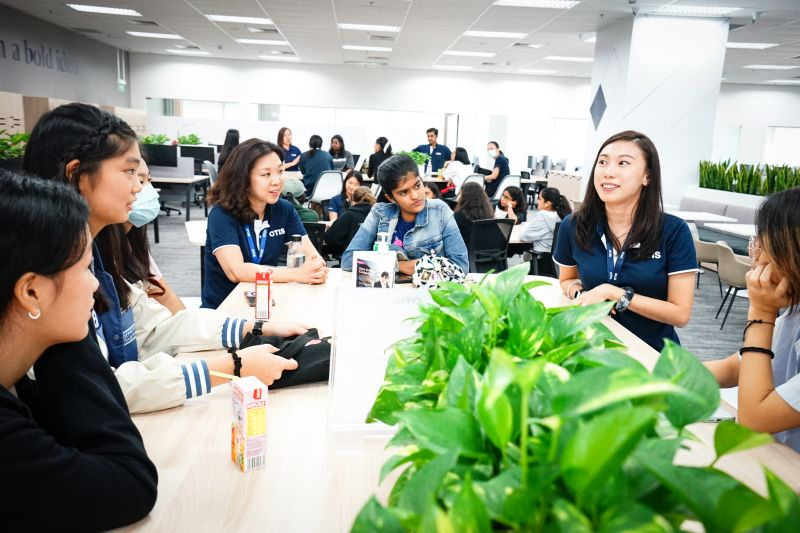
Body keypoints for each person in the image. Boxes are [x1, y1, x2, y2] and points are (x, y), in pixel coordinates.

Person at [23, 104, 303, 414]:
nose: (139, 187)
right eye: (130, 172)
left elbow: (158, 327)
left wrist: (256, 326)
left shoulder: (100, 254)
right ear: (76, 174)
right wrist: (233, 366)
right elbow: (97, 389)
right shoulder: (45, 276)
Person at [0, 169, 158, 530]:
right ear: (31, 292)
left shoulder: (18, 380)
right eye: (86, 268)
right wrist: (72, 336)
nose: (94, 286)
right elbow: (130, 484)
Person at [552, 130, 697, 352]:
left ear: (647, 176)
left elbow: (680, 314)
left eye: (623, 163)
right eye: (602, 162)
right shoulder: (573, 225)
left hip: (652, 352)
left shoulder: (674, 231)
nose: (608, 172)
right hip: (592, 347)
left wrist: (616, 294)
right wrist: (583, 295)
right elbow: (566, 280)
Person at [705, 188, 800, 451]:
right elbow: (734, 368)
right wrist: (661, 377)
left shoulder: (772, 309)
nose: (755, 255)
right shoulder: (795, 312)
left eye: (764, 244)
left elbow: (754, 418)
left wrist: (761, 312)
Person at [205, 138, 328, 308]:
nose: (277, 181)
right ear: (243, 178)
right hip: (225, 309)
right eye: (266, 174)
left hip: (268, 304)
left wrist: (316, 268)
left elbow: (312, 255)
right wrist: (297, 274)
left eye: (280, 171)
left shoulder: (283, 209)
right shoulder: (222, 215)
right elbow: (236, 271)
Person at [342, 154, 468, 274]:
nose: (415, 195)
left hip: (428, 294)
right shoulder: (379, 213)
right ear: (390, 198)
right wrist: (402, 265)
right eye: (403, 193)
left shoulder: (440, 211)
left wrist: (392, 264)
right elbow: (348, 261)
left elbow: (460, 266)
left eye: (418, 186)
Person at [125, 158, 185, 314]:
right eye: (139, 180)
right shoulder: (95, 253)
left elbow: (166, 297)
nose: (142, 188)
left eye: (148, 180)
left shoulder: (133, 243)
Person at [520, 187, 572, 277]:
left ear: (548, 203)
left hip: (540, 262)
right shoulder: (560, 215)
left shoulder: (543, 216)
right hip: (555, 264)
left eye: (540, 199)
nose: (537, 201)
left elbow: (524, 237)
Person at [324, 186, 376, 256]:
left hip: (350, 259)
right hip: (374, 257)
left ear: (352, 201)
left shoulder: (349, 215)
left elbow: (331, 238)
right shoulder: (378, 215)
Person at [453, 181, 494, 247]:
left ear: (464, 196)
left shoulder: (460, 215)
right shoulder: (489, 214)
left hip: (465, 253)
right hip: (486, 253)